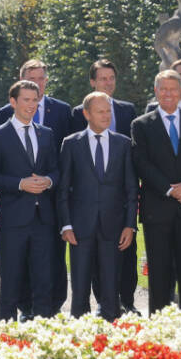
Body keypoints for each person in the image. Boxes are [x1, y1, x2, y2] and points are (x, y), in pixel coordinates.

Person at [132, 69, 181, 312]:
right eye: (163, 89)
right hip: (158, 209)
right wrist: (169, 190)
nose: (168, 94)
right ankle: (158, 323)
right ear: (156, 92)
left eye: (173, 89)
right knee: (159, 272)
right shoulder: (142, 125)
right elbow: (141, 163)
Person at [0, 79, 60, 321]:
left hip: (43, 220)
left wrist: (48, 181)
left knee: (44, 280)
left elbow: (57, 170)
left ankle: (42, 335)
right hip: (13, 220)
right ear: (13, 102)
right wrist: (20, 184)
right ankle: (7, 335)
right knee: (11, 281)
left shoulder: (47, 134)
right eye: (26, 100)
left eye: (35, 100)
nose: (31, 105)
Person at [56, 92, 136, 320]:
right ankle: (79, 336)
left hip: (114, 227)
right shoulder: (71, 144)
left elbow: (131, 189)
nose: (106, 115)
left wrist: (130, 225)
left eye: (108, 111)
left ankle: (111, 336)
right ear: (86, 114)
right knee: (79, 287)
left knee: (111, 286)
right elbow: (63, 189)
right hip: (80, 228)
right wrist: (66, 225)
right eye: (100, 111)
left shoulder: (123, 143)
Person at [0, 59, 72, 145]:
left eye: (41, 79)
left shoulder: (62, 110)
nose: (37, 84)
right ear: (21, 80)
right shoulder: (6, 112)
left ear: (46, 80)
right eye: (32, 79)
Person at [69, 59, 137, 135]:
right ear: (92, 82)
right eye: (103, 79)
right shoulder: (80, 113)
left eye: (112, 78)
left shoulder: (128, 110)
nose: (109, 83)